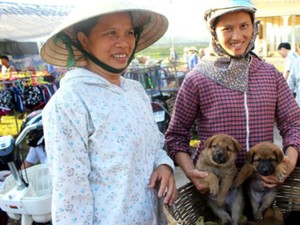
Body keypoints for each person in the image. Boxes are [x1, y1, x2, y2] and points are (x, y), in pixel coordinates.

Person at [40, 1, 177, 224]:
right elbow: (70, 195)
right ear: (84, 40)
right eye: (110, 33)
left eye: (129, 33)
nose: (123, 43)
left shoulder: (135, 91)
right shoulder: (70, 102)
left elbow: (153, 145)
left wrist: (163, 165)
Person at [165, 0, 300, 219]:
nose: (237, 36)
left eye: (244, 26)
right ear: (214, 32)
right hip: (217, 189)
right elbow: (176, 135)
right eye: (227, 28)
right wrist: (192, 172)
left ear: (254, 28)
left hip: (261, 182)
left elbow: (293, 123)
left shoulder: (270, 75)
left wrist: (289, 161)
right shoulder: (198, 78)